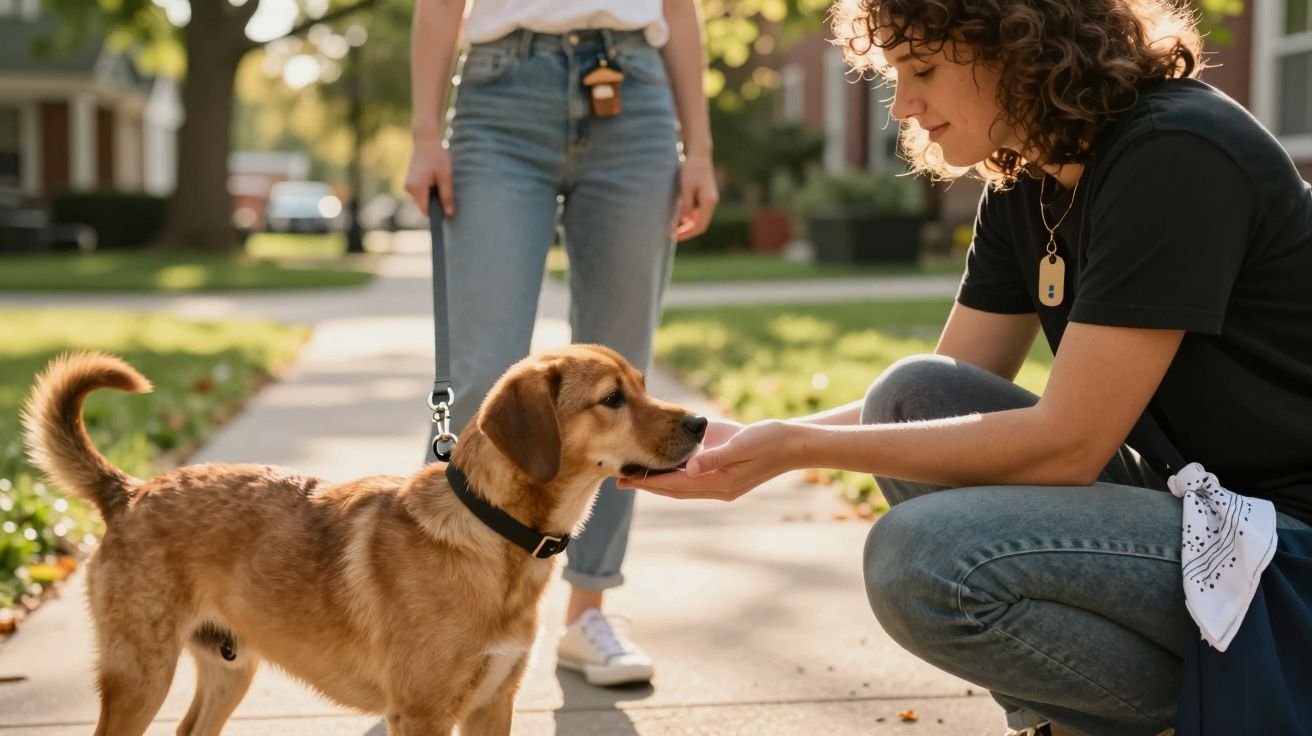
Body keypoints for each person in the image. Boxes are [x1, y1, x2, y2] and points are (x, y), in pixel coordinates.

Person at [622, 0, 1312, 733]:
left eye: (922, 70)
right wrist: (769, 435)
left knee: (925, 561)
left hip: (1290, 548)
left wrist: (800, 448)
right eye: (894, 75)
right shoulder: (1030, 181)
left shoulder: (1176, 152)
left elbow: (1069, 444)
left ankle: (1232, 710)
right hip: (1211, 519)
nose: (904, 104)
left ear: (1019, 47)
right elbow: (941, 400)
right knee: (911, 394)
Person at [405, 0, 718, 687]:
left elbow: (679, 7)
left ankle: (589, 610)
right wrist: (425, 132)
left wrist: (700, 148)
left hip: (636, 94)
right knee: (482, 371)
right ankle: (441, 610)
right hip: (500, 92)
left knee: (624, 404)